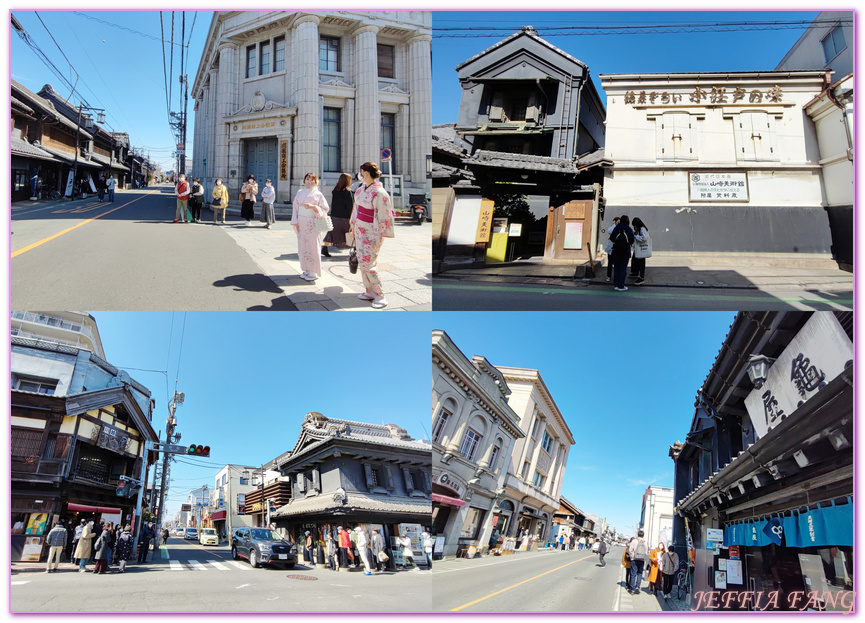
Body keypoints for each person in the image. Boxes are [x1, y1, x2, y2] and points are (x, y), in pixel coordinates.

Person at [351, 162, 395, 309]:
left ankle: (380, 295)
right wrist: (353, 223)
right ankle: (369, 290)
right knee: (362, 261)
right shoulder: (361, 190)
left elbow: (383, 217)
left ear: (366, 173)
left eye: (361, 172)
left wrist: (378, 237)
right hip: (360, 228)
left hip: (372, 231)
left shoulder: (380, 193)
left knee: (369, 263)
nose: (360, 174)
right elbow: (356, 208)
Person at [291, 173, 330, 282]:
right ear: (304, 181)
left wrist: (314, 207)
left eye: (312, 180)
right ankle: (307, 269)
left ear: (316, 181)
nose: (310, 181)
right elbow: (295, 208)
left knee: (313, 245)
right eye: (307, 179)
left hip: (313, 223)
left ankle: (313, 271)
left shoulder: (319, 194)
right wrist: (295, 221)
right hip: (301, 222)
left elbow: (325, 209)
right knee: (303, 245)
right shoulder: (300, 193)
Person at [325, 172, 354, 255]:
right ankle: (354, 249)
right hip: (345, 217)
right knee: (350, 233)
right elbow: (350, 206)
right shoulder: (348, 192)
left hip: (334, 216)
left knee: (332, 232)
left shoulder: (335, 190)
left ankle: (325, 247)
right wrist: (351, 217)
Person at [609, 215, 635, 292]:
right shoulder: (629, 229)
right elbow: (632, 241)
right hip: (625, 251)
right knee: (623, 268)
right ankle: (621, 285)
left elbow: (612, 238)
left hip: (616, 250)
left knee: (616, 267)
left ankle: (616, 285)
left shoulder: (616, 228)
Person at [627, 529, 649, 595]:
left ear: (637, 534)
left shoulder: (634, 541)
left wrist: (632, 557)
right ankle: (637, 587)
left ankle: (632, 589)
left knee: (633, 574)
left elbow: (630, 550)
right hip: (642, 560)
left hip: (634, 559)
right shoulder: (645, 542)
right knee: (639, 573)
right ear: (643, 535)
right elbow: (646, 551)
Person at [630, 217, 650, 285]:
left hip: (641, 248)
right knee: (635, 259)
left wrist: (635, 236)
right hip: (638, 248)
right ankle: (635, 272)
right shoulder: (640, 229)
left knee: (641, 262)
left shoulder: (642, 229)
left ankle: (641, 277)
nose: (634, 227)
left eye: (634, 225)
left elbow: (644, 238)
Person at [604, 217, 620, 282]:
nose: (619, 223)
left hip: (617, 248)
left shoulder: (620, 228)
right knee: (610, 263)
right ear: (615, 222)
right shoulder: (612, 227)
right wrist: (613, 224)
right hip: (611, 248)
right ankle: (608, 276)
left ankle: (615, 277)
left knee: (617, 264)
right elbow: (610, 231)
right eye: (618, 222)